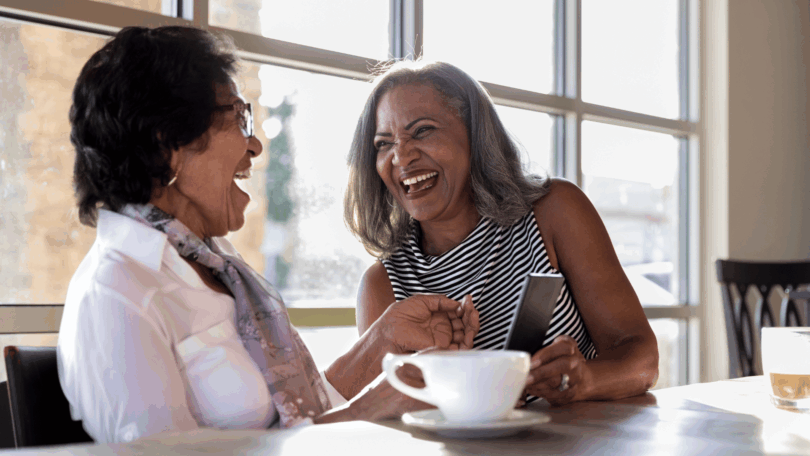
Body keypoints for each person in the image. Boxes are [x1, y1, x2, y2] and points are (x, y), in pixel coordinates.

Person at [57, 27, 479, 444]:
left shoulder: (215, 262)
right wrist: (364, 412)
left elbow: (298, 414)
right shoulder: (116, 294)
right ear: (167, 144)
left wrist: (382, 344)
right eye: (239, 118)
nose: (255, 145)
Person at [344, 60, 659, 406]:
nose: (401, 155)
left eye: (422, 131)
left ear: (475, 136)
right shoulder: (382, 286)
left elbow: (642, 359)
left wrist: (587, 379)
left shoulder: (554, 211)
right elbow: (384, 419)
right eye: (383, 143)